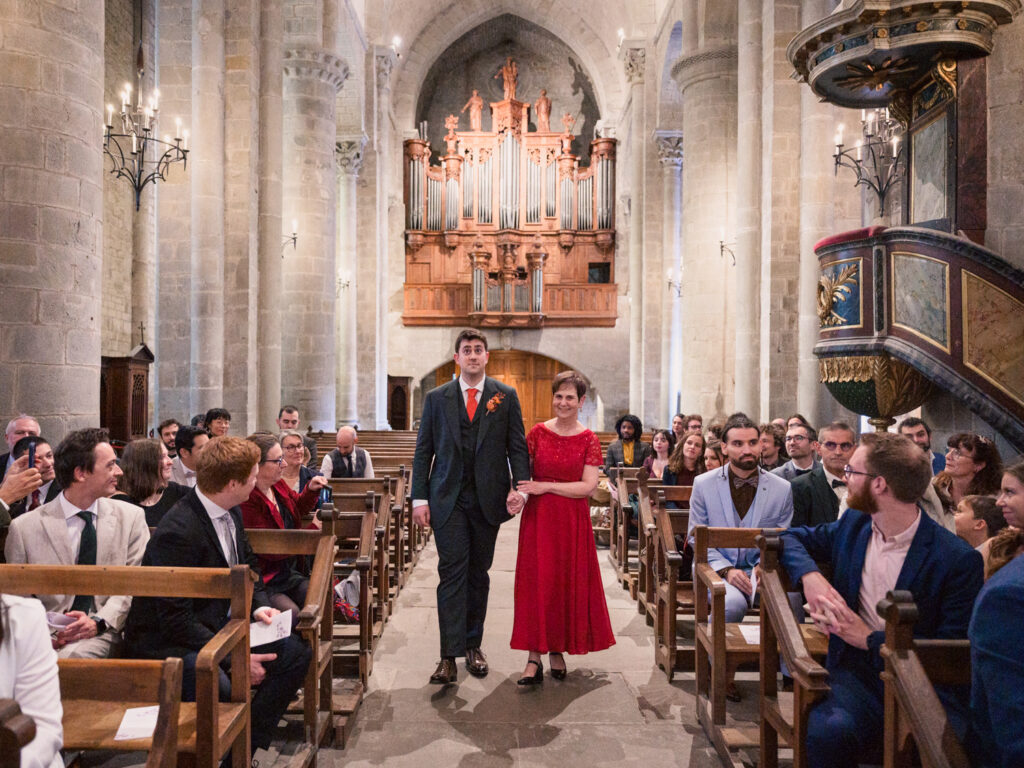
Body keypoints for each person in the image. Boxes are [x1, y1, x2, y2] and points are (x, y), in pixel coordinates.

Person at [778, 432, 983, 768]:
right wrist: (810, 578)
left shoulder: (956, 559)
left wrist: (869, 638)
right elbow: (791, 538)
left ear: (880, 485)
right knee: (828, 732)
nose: (845, 477)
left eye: (852, 472)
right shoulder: (856, 524)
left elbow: (950, 651)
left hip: (927, 686)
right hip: (858, 676)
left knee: (948, 748)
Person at [124, 436, 311, 753]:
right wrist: (234, 658)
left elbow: (249, 566)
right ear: (233, 482)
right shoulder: (180, 531)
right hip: (169, 641)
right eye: (252, 474)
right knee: (221, 684)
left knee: (296, 654)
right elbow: (175, 620)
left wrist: (258, 609)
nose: (256, 480)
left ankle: (245, 746)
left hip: (217, 626)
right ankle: (221, 752)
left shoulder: (230, 509)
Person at [411, 329, 531, 686]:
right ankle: (448, 656)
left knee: (479, 574)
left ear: (487, 357)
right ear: (457, 358)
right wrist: (419, 498)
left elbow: (517, 447)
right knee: (452, 574)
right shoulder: (436, 398)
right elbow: (423, 452)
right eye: (468, 350)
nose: (474, 355)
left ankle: (473, 645)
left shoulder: (504, 396)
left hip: (487, 500)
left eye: (479, 350)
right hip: (447, 499)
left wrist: (521, 490)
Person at [4, 427, 150, 658]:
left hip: (106, 628)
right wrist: (39, 632)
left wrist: (98, 622)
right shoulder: (25, 527)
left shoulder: (130, 517)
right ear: (81, 473)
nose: (119, 471)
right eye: (110, 465)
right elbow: (18, 595)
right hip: (46, 631)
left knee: (72, 658)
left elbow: (135, 583)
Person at [510, 371, 614, 684]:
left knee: (564, 585)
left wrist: (546, 487)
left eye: (570, 397)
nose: (563, 402)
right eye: (559, 396)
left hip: (571, 521)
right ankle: (533, 656)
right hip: (539, 520)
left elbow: (588, 487)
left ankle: (557, 650)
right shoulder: (538, 433)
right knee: (537, 584)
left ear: (581, 402)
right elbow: (521, 476)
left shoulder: (589, 439)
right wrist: (517, 495)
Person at [688, 413, 793, 625]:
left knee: (791, 602)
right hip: (713, 567)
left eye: (753, 442)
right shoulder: (703, 484)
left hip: (761, 569)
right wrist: (727, 570)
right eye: (738, 443)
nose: (747, 450)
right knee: (732, 603)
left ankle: (785, 659)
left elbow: (784, 536)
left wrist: (764, 565)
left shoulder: (781, 488)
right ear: (724, 448)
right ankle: (715, 658)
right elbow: (695, 537)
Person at [240, 433, 328, 626]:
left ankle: (310, 651)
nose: (285, 464)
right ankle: (299, 652)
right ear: (257, 465)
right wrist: (313, 529)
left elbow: (296, 507)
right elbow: (271, 548)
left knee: (320, 596)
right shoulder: (248, 498)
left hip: (286, 572)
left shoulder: (276, 484)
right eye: (278, 460)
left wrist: (311, 490)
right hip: (265, 578)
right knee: (293, 615)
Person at [0, 592, 64, 768]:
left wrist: (98, 622)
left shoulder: (22, 617)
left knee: (77, 655)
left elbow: (42, 729)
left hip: (25, 761)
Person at [789, 422, 857, 528]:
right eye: (830, 445)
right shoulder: (800, 486)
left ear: (854, 449)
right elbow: (797, 535)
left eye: (845, 445)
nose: (838, 452)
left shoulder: (866, 485)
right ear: (818, 448)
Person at [114, 438, 190, 527]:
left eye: (168, 455)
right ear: (145, 463)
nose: (170, 462)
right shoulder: (120, 501)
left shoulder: (175, 492)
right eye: (162, 457)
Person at [934, 432, 1002, 510]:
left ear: (978, 465)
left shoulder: (993, 500)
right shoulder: (935, 485)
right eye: (948, 451)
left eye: (958, 453)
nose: (947, 456)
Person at [6, 436, 60, 519]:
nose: (48, 464)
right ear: (21, 464)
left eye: (49, 456)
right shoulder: (12, 492)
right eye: (37, 460)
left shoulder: (68, 489)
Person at [954, 494, 1008, 571]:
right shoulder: (963, 553)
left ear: (979, 524)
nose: (953, 514)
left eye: (959, 511)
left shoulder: (990, 562)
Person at [279, 429, 322, 494]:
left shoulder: (315, 477)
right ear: (280, 450)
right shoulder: (273, 478)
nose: (298, 451)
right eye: (291, 447)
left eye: (299, 446)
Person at [276, 406, 317, 470]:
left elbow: (311, 468)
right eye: (286, 422)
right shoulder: (272, 442)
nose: (290, 426)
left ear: (298, 423)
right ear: (278, 422)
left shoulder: (309, 443)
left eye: (294, 422)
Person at [1, 414, 40, 480]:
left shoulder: (51, 467)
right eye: (20, 432)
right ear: (7, 438)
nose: (26, 437)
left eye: (32, 433)